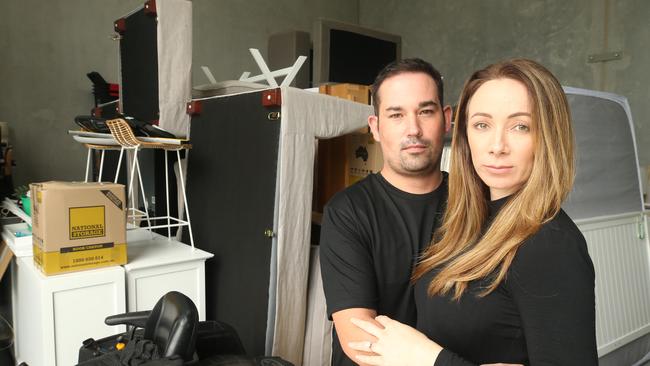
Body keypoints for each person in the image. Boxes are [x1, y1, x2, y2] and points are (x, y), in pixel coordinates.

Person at [348, 59, 598, 365]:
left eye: (521, 126)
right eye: (482, 124)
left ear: (549, 136)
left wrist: (428, 359)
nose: (497, 145)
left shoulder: (550, 243)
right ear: (465, 135)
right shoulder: (468, 221)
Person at [319, 58, 452, 366]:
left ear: (446, 119)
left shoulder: (474, 202)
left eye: (426, 111)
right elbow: (361, 343)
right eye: (396, 115)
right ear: (376, 128)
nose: (413, 129)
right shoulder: (347, 213)